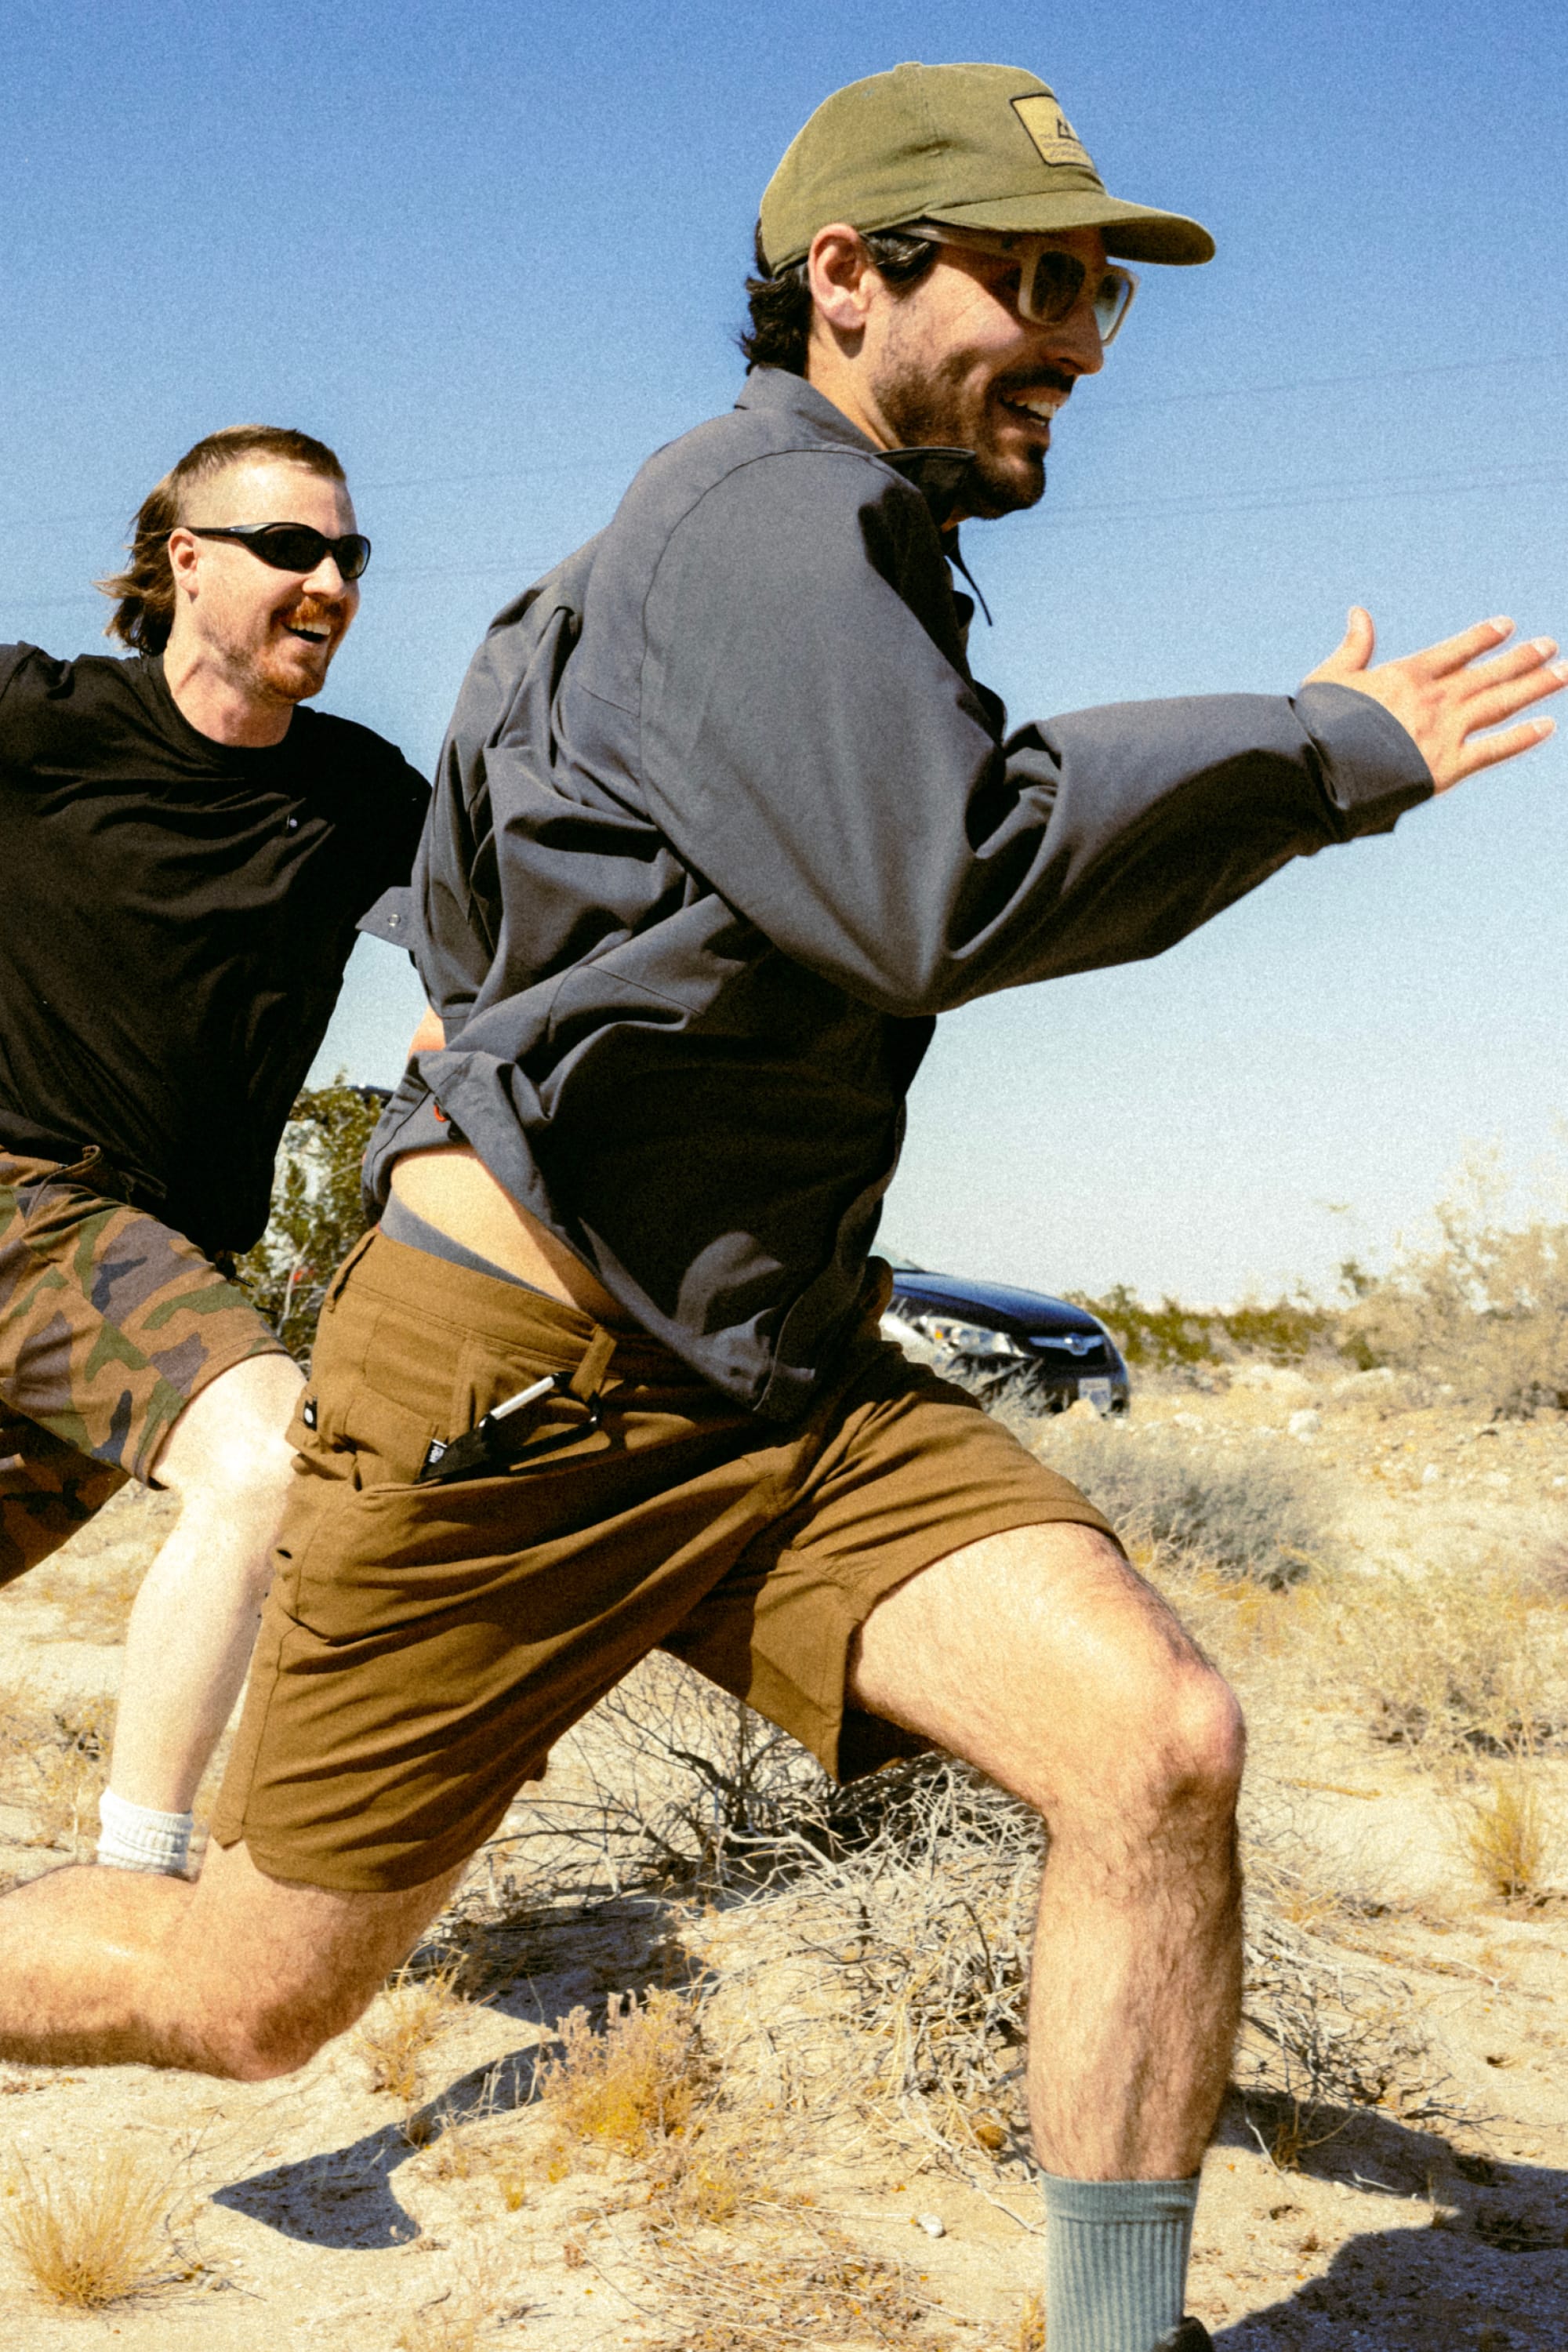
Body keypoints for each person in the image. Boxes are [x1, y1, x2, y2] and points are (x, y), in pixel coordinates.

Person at [0, 65, 1561, 2352]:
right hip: (518, 1406)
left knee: (1155, 1744)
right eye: (1031, 282)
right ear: (848, 278)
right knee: (249, 2001)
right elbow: (941, 877)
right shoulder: (761, 510)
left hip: (773, 1376)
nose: (1085, 338)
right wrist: (1324, 750)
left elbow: (467, 876)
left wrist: (512, 1017)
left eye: (1101, 291)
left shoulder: (808, 555)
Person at [0, 424, 427, 1879]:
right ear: (187, 558)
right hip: (23, 1205)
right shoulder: (40, 720)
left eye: (349, 557)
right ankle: (141, 1889)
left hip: (154, 1255)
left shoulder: (360, 798)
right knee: (259, 1463)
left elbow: (506, 952)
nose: (329, 583)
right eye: (291, 549)